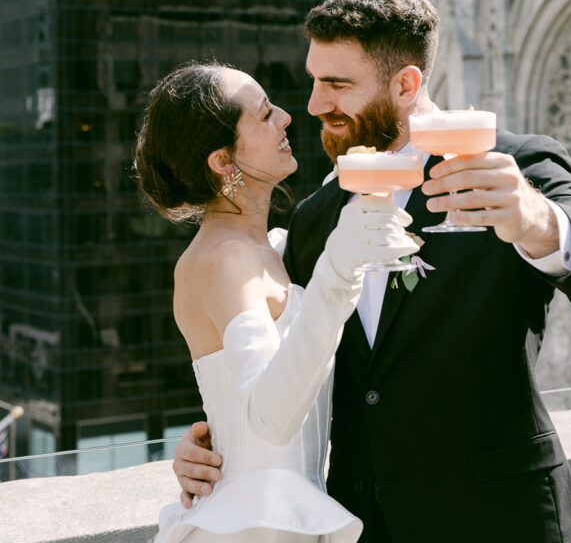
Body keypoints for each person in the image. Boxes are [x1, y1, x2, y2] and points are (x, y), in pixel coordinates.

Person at [172, 0, 571, 543]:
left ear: (406, 84)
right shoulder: (313, 219)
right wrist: (214, 442)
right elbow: (286, 365)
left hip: (505, 520)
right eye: (313, 81)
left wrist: (534, 218)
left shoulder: (509, 166)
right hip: (366, 527)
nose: (314, 105)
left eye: (337, 84)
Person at [134, 59, 419, 542]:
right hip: (257, 526)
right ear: (223, 162)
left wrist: (209, 438)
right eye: (265, 115)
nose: (286, 116)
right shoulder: (226, 258)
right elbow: (270, 418)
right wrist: (338, 271)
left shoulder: (272, 247)